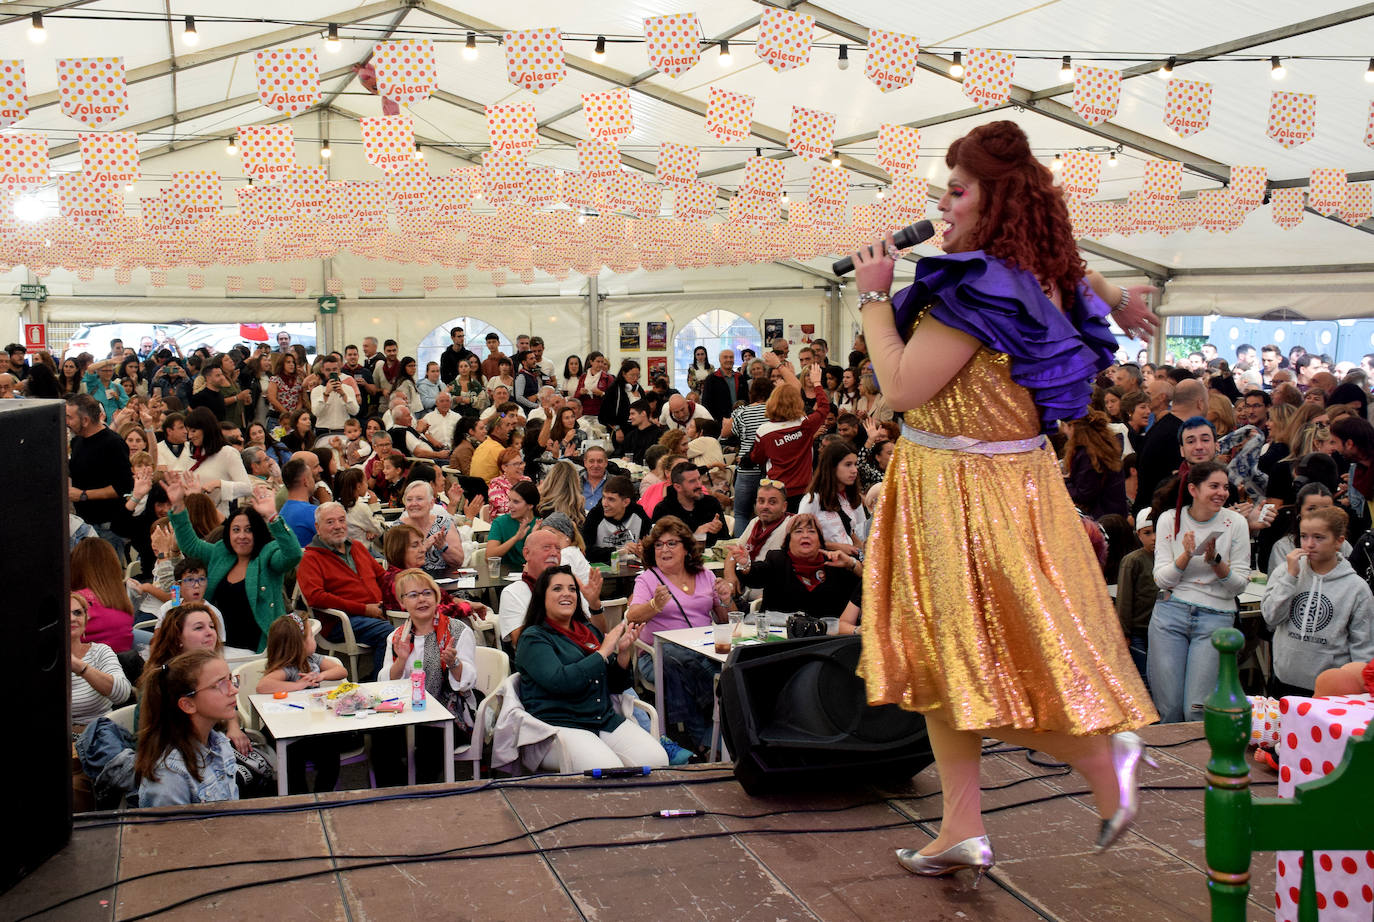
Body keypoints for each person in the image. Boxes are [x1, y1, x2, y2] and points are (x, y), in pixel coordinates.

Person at [848, 120, 1157, 877]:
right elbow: (1081, 277)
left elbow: (901, 387)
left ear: (999, 200)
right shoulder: (1037, 272)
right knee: (939, 663)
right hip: (1009, 486)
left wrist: (871, 300)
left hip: (960, 497)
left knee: (977, 662)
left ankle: (1100, 755)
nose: (943, 205)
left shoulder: (979, 290)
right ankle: (961, 825)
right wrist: (1119, 295)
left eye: (957, 191)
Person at [514, 566, 668, 771]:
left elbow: (616, 685)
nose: (567, 593)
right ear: (542, 597)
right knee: (606, 769)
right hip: (557, 726)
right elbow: (561, 682)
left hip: (601, 720)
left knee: (657, 760)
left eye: (571, 589)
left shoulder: (586, 630)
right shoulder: (534, 638)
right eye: (557, 589)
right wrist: (602, 653)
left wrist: (622, 653)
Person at [1149, 461, 1250, 723]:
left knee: (1196, 710)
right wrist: (1186, 555)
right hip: (1170, 613)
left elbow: (1239, 585)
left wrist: (1215, 561)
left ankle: (1197, 763)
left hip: (1216, 618)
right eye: (1214, 486)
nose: (1222, 493)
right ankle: (1168, 763)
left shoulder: (1235, 523)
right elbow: (1161, 579)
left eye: (1225, 487)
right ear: (1193, 489)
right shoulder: (1169, 520)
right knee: (1168, 708)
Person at [625, 518, 733, 754]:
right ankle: (708, 728)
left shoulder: (705, 575)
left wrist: (725, 597)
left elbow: (726, 619)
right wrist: (655, 604)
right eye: (659, 545)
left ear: (686, 548)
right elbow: (632, 616)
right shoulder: (648, 578)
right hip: (657, 655)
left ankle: (699, 740)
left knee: (700, 663)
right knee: (675, 660)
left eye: (672, 543)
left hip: (705, 651)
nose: (664, 550)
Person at [165, 471, 300, 653]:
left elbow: (293, 554)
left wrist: (273, 517)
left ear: (258, 532)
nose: (242, 536)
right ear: (228, 532)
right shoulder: (221, 552)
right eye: (236, 530)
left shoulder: (268, 555)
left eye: (248, 530)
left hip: (262, 647)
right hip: (221, 645)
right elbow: (191, 545)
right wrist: (179, 506)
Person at [373, 568, 479, 785]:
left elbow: (468, 682)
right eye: (413, 595)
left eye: (427, 593)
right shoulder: (397, 636)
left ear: (436, 597)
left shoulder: (457, 631)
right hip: (406, 713)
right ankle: (396, 794)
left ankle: (422, 794)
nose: (421, 600)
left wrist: (454, 663)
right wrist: (401, 660)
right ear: (402, 603)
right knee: (381, 739)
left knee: (430, 740)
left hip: (449, 713)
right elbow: (385, 685)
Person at [1261, 506, 1374, 697]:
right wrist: (1290, 578)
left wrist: (1360, 690)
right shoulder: (1286, 571)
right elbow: (1271, 618)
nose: (1309, 544)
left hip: (1331, 688)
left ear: (1339, 541)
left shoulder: (1356, 588)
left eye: (1319, 537)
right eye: (1304, 536)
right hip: (1284, 679)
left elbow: (1363, 646)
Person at [295, 502, 393, 680]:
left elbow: (383, 577)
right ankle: (378, 685)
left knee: (412, 624)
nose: (338, 526)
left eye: (341, 520)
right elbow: (315, 597)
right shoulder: (311, 558)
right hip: (341, 621)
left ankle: (389, 679)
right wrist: (364, 609)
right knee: (389, 633)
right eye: (330, 522)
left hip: (375, 612)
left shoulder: (356, 547)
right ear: (317, 527)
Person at [135, 649, 241, 807]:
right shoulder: (170, 776)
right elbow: (175, 830)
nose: (234, 690)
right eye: (220, 684)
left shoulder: (219, 743)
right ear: (188, 704)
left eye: (230, 679)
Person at [254, 614, 347, 793]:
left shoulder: (313, 660)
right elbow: (263, 685)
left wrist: (322, 675)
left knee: (331, 753)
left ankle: (323, 795)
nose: (314, 640)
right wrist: (298, 685)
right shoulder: (287, 669)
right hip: (288, 730)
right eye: (311, 637)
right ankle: (301, 798)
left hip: (311, 727)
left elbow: (341, 670)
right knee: (292, 760)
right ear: (299, 645)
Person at [726, 514, 861, 617]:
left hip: (825, 640)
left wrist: (852, 564)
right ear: (788, 540)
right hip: (781, 638)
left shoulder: (835, 562)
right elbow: (756, 575)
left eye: (811, 531)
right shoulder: (777, 559)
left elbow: (867, 587)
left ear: (820, 540)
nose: (805, 536)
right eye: (798, 531)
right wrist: (745, 564)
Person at [750, 359, 829, 510]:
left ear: (772, 402)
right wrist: (817, 383)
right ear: (797, 402)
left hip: (777, 490)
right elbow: (824, 408)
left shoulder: (763, 431)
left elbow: (757, 458)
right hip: (804, 490)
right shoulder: (805, 424)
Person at [67, 394, 135, 559]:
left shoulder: (113, 444)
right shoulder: (77, 441)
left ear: (85, 420)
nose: (66, 422)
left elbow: (123, 486)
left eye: (69, 417)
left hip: (107, 527)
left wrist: (84, 495)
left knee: (105, 577)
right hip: (83, 525)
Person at [69, 592, 132, 724]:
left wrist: (82, 669)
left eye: (78, 613)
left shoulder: (99, 651)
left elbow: (122, 694)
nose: (72, 618)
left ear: (86, 619)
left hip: (97, 734)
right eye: (65, 612)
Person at [496, 527, 566, 644]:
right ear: (526, 553)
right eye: (546, 548)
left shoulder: (569, 589)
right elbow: (522, 643)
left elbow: (592, 631)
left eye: (558, 549)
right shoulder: (513, 593)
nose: (554, 553)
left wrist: (595, 607)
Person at [797, 441, 868, 552]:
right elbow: (799, 538)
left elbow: (862, 535)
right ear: (832, 467)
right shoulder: (812, 500)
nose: (854, 470)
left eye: (855, 464)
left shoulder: (854, 498)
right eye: (848, 464)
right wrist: (836, 547)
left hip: (853, 563)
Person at [70, 538, 138, 653]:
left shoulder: (76, 602)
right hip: (121, 667)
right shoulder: (121, 601)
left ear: (75, 565)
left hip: (87, 667)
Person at [1114, 508, 1158, 687]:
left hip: (1162, 630)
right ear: (1138, 535)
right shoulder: (1132, 561)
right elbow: (1124, 599)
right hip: (1139, 631)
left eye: (1158, 531)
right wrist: (1124, 632)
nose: (1154, 537)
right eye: (1148, 533)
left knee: (1159, 678)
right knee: (1143, 679)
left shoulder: (1169, 559)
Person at [184, 406, 253, 516]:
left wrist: (219, 484)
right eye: (188, 432)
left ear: (206, 428)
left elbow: (247, 488)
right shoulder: (191, 454)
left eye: (193, 431)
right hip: (192, 517)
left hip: (215, 519)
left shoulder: (227, 453)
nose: (190, 436)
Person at [1061, 410, 1129, 520]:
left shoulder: (1088, 455)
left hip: (1100, 519)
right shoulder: (1103, 446)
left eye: (1065, 426)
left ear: (1073, 426)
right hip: (1114, 517)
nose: (1064, 431)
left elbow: (1084, 494)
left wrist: (1065, 481)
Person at [729, 378, 773, 538]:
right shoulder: (774, 412)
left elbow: (732, 433)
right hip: (768, 468)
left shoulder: (741, 412)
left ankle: (741, 551)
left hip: (746, 469)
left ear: (752, 393)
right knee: (768, 515)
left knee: (741, 514)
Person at [652, 460, 727, 547]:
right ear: (678, 487)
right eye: (692, 481)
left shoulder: (711, 503)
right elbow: (660, 547)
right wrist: (696, 536)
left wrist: (718, 528)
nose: (699, 485)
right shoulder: (664, 510)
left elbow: (726, 540)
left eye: (699, 478)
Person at [396, 481, 466, 573]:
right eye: (409, 500)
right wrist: (424, 547)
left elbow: (458, 562)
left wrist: (443, 547)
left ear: (431, 503)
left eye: (419, 499)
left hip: (444, 582)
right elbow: (395, 564)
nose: (413, 503)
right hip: (410, 581)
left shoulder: (444, 524)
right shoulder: (398, 528)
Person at [486, 481, 541, 570]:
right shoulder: (500, 522)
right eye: (509, 500)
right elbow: (489, 557)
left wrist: (533, 537)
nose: (509, 505)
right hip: (504, 576)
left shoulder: (541, 524)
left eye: (516, 502)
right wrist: (515, 538)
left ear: (530, 505)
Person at [599, 359, 644, 435]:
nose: (635, 378)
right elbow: (604, 416)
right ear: (623, 374)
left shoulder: (639, 389)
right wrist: (617, 429)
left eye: (638, 375)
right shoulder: (614, 389)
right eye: (632, 375)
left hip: (639, 429)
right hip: (621, 430)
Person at [615, 398, 665, 465]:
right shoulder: (630, 436)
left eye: (633, 414)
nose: (629, 417)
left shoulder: (659, 435)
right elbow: (616, 454)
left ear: (643, 413)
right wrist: (622, 458)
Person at [488, 447, 532, 516]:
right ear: (504, 467)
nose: (521, 467)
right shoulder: (496, 484)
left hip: (525, 520)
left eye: (521, 463)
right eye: (516, 464)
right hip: (504, 523)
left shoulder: (526, 480)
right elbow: (505, 508)